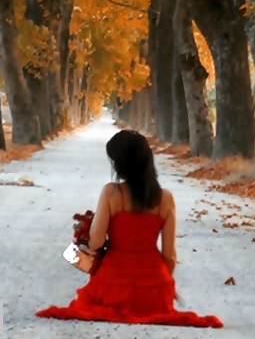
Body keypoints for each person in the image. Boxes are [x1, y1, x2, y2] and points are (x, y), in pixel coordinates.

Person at [36, 129, 223, 328]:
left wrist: (85, 231)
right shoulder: (166, 199)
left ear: (120, 164)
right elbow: (169, 255)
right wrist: (161, 285)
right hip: (153, 289)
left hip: (112, 285)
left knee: (91, 305)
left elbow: (96, 242)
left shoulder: (111, 193)